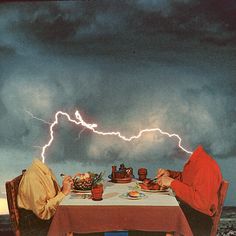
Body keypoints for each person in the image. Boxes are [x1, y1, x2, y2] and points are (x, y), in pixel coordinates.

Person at [156, 145, 222, 236]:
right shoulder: (195, 160)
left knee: (153, 224)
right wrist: (170, 174)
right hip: (189, 210)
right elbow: (186, 180)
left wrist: (172, 182)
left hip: (199, 220)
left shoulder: (205, 166)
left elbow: (201, 203)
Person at [17, 158, 73, 236]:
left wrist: (63, 188)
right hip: (36, 224)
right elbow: (42, 212)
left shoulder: (44, 170)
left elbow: (51, 197)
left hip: (43, 219)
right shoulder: (33, 177)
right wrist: (63, 193)